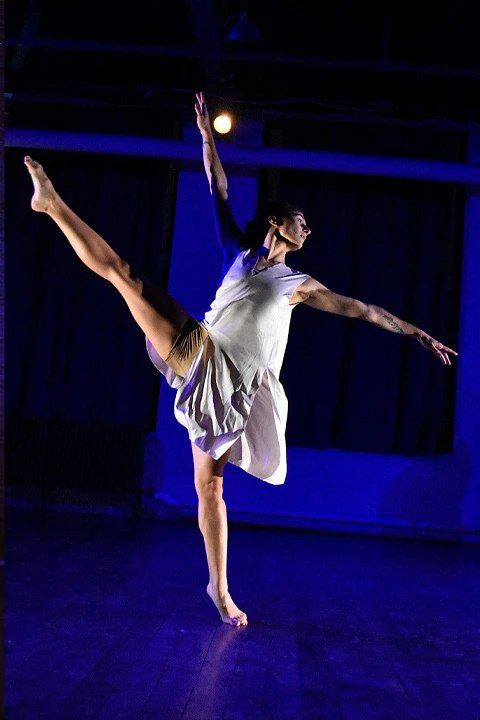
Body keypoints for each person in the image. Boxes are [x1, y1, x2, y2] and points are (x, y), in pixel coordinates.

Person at [24, 91, 457, 627]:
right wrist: (208, 136)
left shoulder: (300, 284)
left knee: (211, 488)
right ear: (277, 222)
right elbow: (218, 188)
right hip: (201, 351)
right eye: (301, 221)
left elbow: (363, 310)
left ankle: (219, 588)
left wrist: (417, 333)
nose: (308, 230)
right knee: (125, 275)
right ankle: (53, 204)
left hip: (231, 390)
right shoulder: (240, 251)